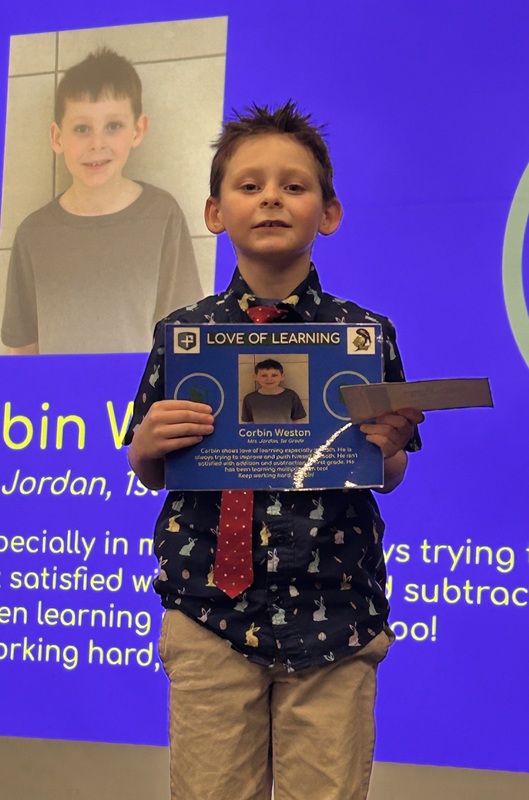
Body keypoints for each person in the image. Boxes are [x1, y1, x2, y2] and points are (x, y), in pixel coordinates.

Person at [125, 101, 424, 800]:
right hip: (208, 611)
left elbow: (390, 470)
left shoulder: (362, 334)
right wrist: (145, 445)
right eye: (249, 184)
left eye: (293, 186)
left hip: (336, 613)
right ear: (214, 211)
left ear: (328, 213)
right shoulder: (184, 332)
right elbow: (147, 466)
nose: (270, 198)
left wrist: (386, 449)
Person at [1, 48, 202, 355]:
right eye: (82, 128)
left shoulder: (163, 216)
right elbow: (24, 349)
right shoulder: (32, 233)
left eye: (113, 126)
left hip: (140, 401)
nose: (97, 144)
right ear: (57, 137)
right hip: (60, 403)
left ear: (138, 130)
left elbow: (184, 335)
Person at [241, 357, 307, 423]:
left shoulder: (291, 396)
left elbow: (298, 421)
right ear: (256, 377)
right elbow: (248, 424)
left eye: (274, 375)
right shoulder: (249, 399)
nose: (269, 379)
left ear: (282, 376)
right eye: (264, 375)